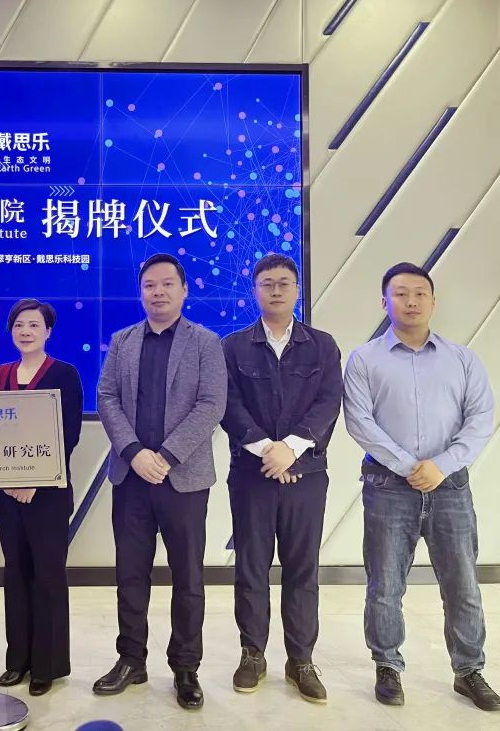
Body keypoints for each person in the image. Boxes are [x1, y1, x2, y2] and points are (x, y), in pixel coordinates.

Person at [344, 262, 500, 712]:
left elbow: (479, 420)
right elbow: (360, 422)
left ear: (433, 301)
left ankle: (469, 670)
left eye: (419, 293)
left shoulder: (463, 359)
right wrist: (410, 466)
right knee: (385, 584)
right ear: (384, 302)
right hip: (387, 487)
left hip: (450, 487)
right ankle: (387, 665)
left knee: (463, 584)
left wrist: (441, 466)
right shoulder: (364, 359)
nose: (410, 301)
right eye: (400, 294)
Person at [94, 253, 227, 711]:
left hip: (183, 479)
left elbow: (211, 405)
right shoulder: (123, 341)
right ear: (141, 292)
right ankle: (131, 659)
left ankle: (186, 667)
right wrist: (134, 452)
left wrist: (166, 456)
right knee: (130, 574)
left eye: (167, 284)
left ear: (184, 290)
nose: (158, 292)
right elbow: (106, 397)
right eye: (150, 285)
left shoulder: (206, 342)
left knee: (188, 577)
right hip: (131, 478)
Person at [220, 254, 342, 703]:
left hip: (306, 474)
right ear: (254, 290)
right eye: (267, 283)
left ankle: (301, 660)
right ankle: (252, 654)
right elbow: (228, 405)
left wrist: (291, 448)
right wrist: (267, 451)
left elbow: (329, 401)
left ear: (297, 290)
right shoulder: (233, 346)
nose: (275, 290)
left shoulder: (322, 345)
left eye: (284, 283)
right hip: (251, 475)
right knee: (251, 567)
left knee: (302, 568)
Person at [0, 299, 83, 697]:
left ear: (48, 332)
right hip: (8, 493)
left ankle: (47, 665)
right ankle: (18, 661)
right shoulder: (0, 374)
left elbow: (69, 434)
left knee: (47, 575)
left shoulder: (64, 374)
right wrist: (8, 479)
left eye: (33, 325)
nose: (25, 331)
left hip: (48, 495)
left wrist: (36, 480)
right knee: (15, 573)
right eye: (19, 325)